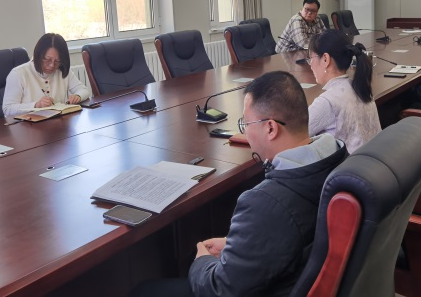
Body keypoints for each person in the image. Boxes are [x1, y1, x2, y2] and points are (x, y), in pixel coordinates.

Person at [130, 71, 347, 297]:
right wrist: (239, 246)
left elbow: (219, 289)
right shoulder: (336, 157)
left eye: (246, 123)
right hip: (295, 274)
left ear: (270, 128)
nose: (245, 131)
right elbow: (284, 234)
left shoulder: (264, 202)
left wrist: (201, 261)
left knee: (144, 291)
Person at [307, 29, 381, 153]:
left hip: (350, 165)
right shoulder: (360, 87)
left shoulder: (327, 102)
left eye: (311, 58)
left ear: (325, 59)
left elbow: (295, 136)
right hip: (374, 160)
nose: (310, 64)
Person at [2, 33, 91, 117]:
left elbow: (84, 90)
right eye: (47, 59)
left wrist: (77, 96)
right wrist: (36, 105)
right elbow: (8, 109)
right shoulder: (18, 74)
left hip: (57, 124)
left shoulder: (61, 70)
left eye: (57, 61)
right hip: (28, 125)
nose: (52, 65)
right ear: (38, 55)